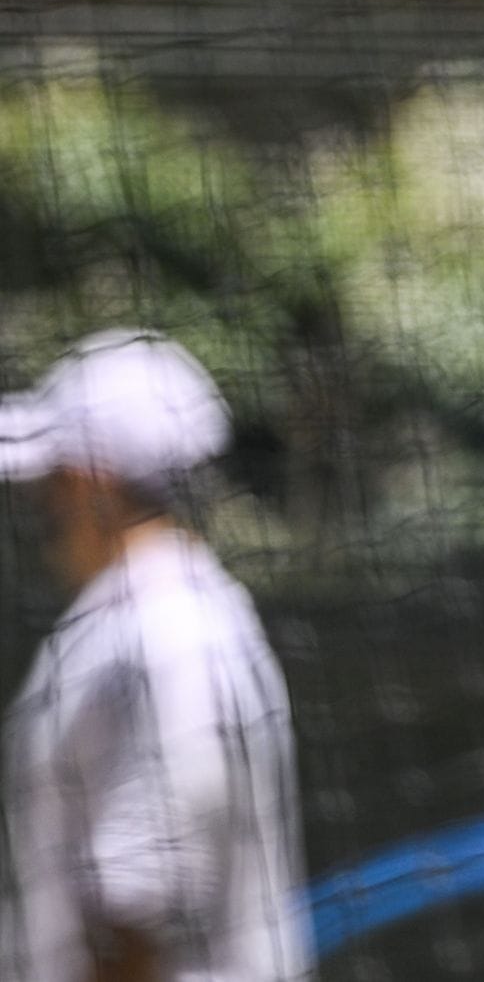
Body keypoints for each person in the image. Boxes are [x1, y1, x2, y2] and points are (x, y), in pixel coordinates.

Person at [0, 330, 312, 982]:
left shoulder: (166, 632)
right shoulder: (148, 614)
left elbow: (138, 905)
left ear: (93, 483)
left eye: (50, 480)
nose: (37, 505)